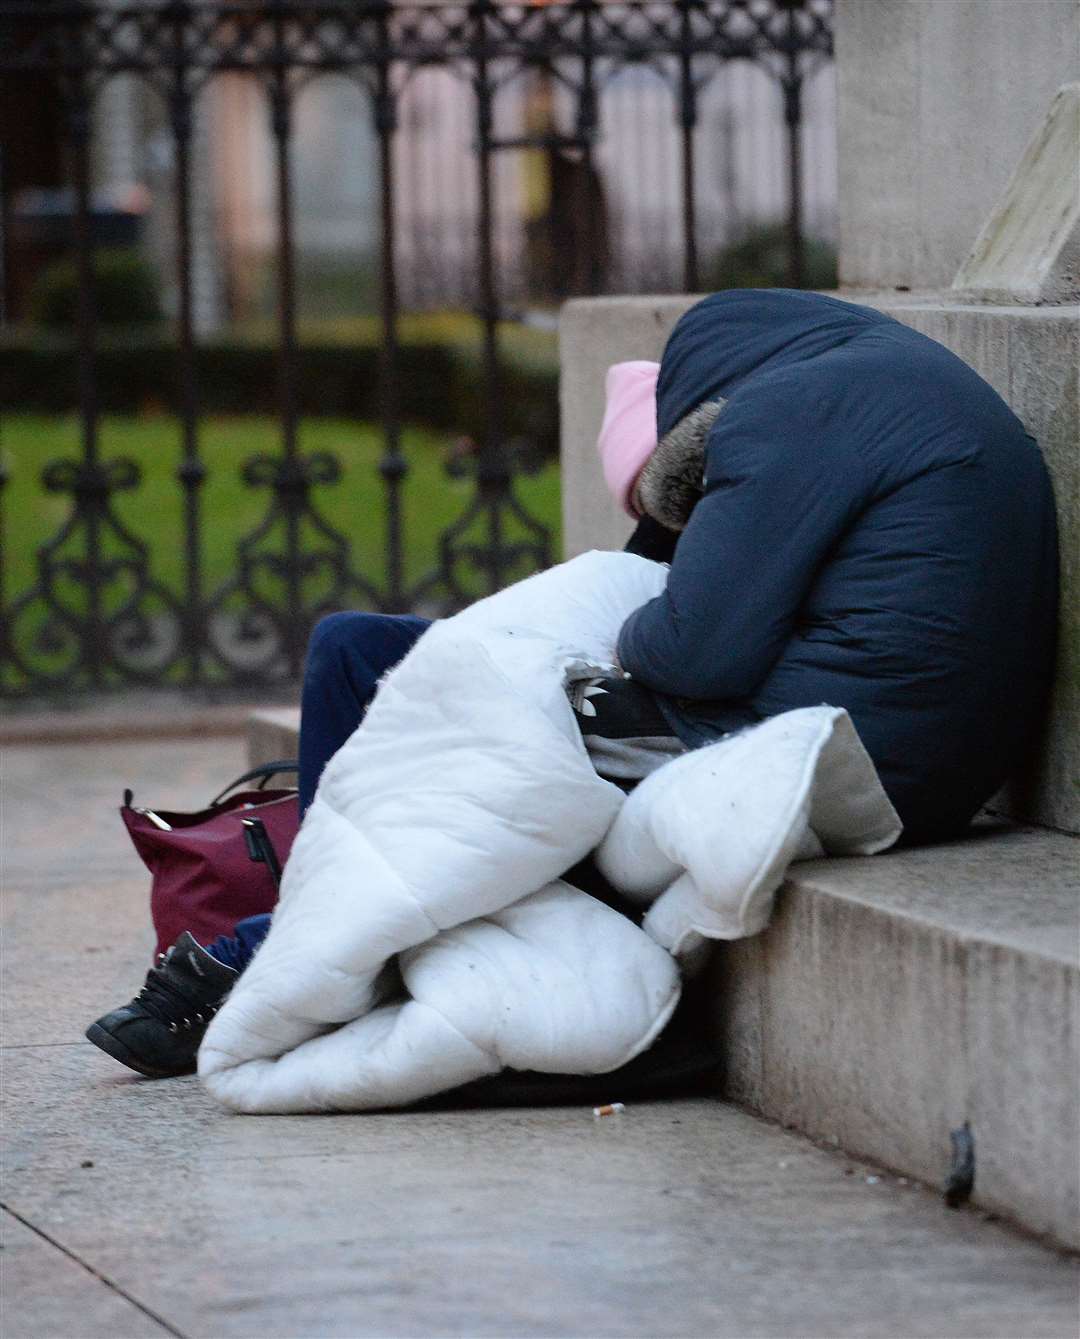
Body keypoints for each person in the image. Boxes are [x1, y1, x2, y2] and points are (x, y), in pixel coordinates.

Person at [86, 288, 1059, 1079]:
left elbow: (693, 651)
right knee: (357, 648)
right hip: (899, 744)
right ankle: (319, 901)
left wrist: (614, 631)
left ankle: (266, 952)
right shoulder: (866, 389)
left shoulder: (787, 415)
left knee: (495, 754)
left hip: (835, 745)